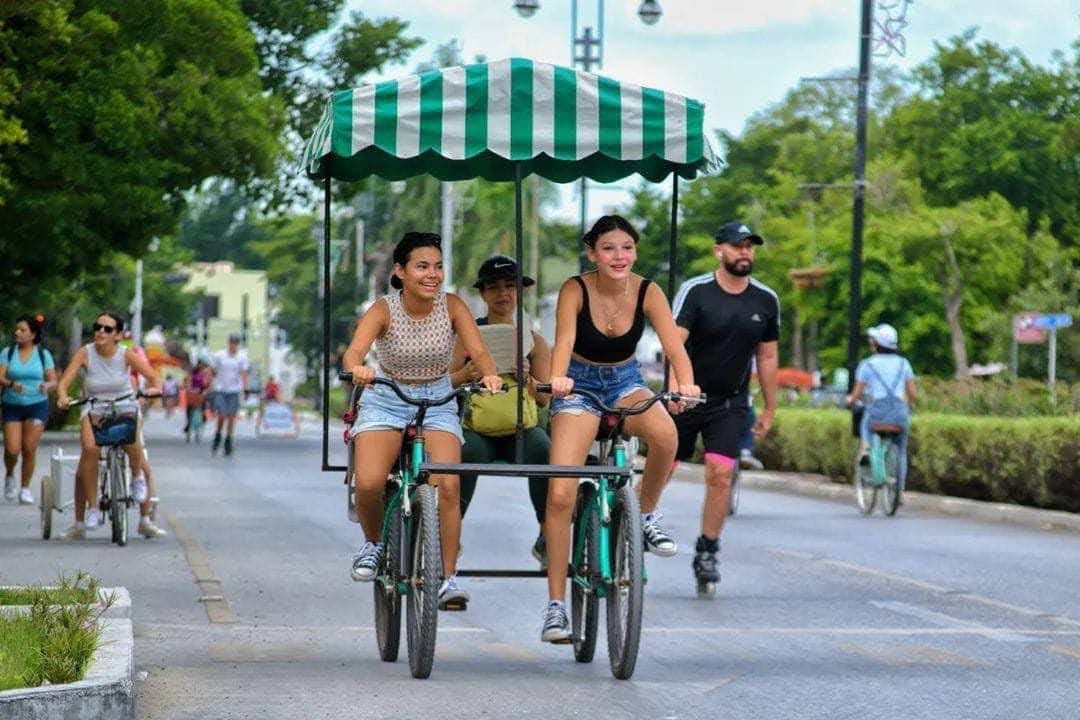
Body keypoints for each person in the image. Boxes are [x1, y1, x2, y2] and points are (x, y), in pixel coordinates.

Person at [544, 215, 700, 642]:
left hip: (624, 381)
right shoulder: (576, 288)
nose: (619, 256)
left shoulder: (649, 290)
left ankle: (645, 513)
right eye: (609, 248)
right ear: (592, 252)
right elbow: (564, 340)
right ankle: (556, 606)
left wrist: (685, 382)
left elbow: (673, 345)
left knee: (666, 434)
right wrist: (558, 381)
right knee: (561, 492)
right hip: (577, 384)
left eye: (627, 248)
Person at [342, 232, 501, 611]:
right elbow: (354, 353)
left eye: (438, 266)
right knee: (368, 482)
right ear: (400, 272)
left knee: (448, 486)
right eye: (422, 266)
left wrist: (490, 374)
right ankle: (373, 544)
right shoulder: (383, 309)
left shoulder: (453, 306)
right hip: (387, 396)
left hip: (439, 398)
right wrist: (357, 370)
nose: (432, 274)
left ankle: (448, 578)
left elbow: (478, 351)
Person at [668, 221, 779, 597]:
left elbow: (766, 356)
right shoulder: (696, 292)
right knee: (662, 466)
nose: (744, 252)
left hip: (731, 403)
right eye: (737, 246)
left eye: (749, 246)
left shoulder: (765, 300)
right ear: (719, 251)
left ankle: (707, 551)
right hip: (687, 396)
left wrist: (769, 407)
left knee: (720, 474)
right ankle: (632, 525)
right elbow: (674, 343)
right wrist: (674, 389)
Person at [448, 255, 551, 567]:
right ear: (483, 294)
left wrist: (527, 378)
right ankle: (449, 536)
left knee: (545, 452)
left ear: (519, 293)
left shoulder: (534, 342)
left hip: (521, 425)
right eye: (494, 288)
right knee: (464, 454)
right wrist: (468, 373)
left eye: (510, 287)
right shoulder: (465, 337)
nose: (503, 294)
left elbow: (544, 398)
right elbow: (446, 382)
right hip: (477, 425)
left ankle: (548, 535)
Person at [55, 312, 162, 539]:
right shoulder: (86, 352)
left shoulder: (126, 354)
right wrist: (63, 396)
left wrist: (152, 390)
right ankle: (92, 509)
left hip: (124, 405)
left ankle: (136, 480)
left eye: (107, 329)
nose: (100, 332)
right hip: (94, 407)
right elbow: (64, 383)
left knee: (134, 445)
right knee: (90, 450)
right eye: (97, 327)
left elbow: (154, 378)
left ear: (118, 335)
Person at [846, 323, 916, 499]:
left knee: (865, 426)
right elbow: (912, 393)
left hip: (876, 412)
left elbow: (857, 394)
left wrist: (849, 400)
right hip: (899, 412)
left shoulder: (867, 365)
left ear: (876, 344)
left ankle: (866, 448)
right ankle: (899, 492)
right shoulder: (904, 364)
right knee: (900, 450)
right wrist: (908, 406)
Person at [0, 315, 57, 504]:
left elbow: (53, 380)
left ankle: (25, 488)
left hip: (37, 405)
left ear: (32, 334)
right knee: (12, 449)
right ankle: (9, 475)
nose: (17, 332)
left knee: (29, 448)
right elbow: (0, 377)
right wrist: (10, 383)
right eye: (17, 329)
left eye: (23, 330)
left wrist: (47, 386)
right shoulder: (8, 353)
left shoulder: (43, 355)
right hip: (12, 405)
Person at [210, 334, 249, 456]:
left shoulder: (241, 357)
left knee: (231, 416)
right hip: (221, 389)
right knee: (221, 414)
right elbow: (213, 370)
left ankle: (228, 440)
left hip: (234, 390)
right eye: (232, 343)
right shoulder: (220, 355)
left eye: (236, 343)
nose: (234, 346)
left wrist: (246, 389)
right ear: (228, 343)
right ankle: (218, 435)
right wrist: (211, 383)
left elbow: (244, 374)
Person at [182, 359, 212, 442]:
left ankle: (201, 424)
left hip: (201, 394)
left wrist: (206, 389)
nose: (201, 367)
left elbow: (207, 384)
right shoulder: (192, 373)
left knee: (202, 411)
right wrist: (188, 387)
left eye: (203, 365)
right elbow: (187, 381)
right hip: (192, 393)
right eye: (201, 365)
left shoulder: (205, 373)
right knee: (189, 411)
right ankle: (188, 425)